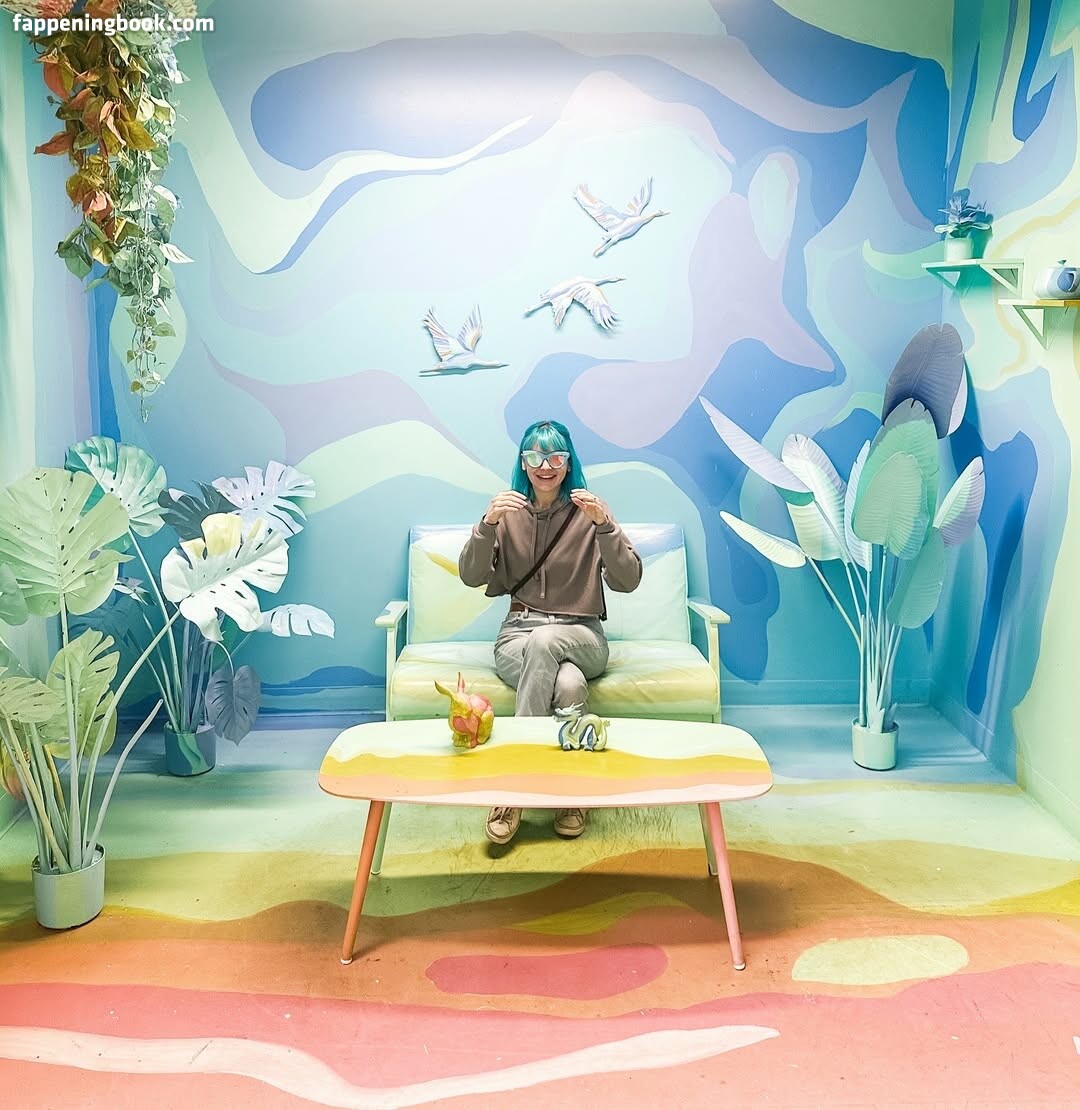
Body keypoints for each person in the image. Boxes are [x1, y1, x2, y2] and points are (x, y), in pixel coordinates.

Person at [459, 419, 642, 844]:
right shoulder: (507, 514)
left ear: (568, 462)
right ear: (523, 463)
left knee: (549, 643)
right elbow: (470, 575)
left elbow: (628, 580)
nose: (546, 466)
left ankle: (513, 786)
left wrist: (605, 526)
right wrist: (487, 524)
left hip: (583, 635)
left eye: (556, 456)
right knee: (569, 683)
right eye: (535, 457)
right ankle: (570, 792)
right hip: (517, 637)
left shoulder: (590, 511)